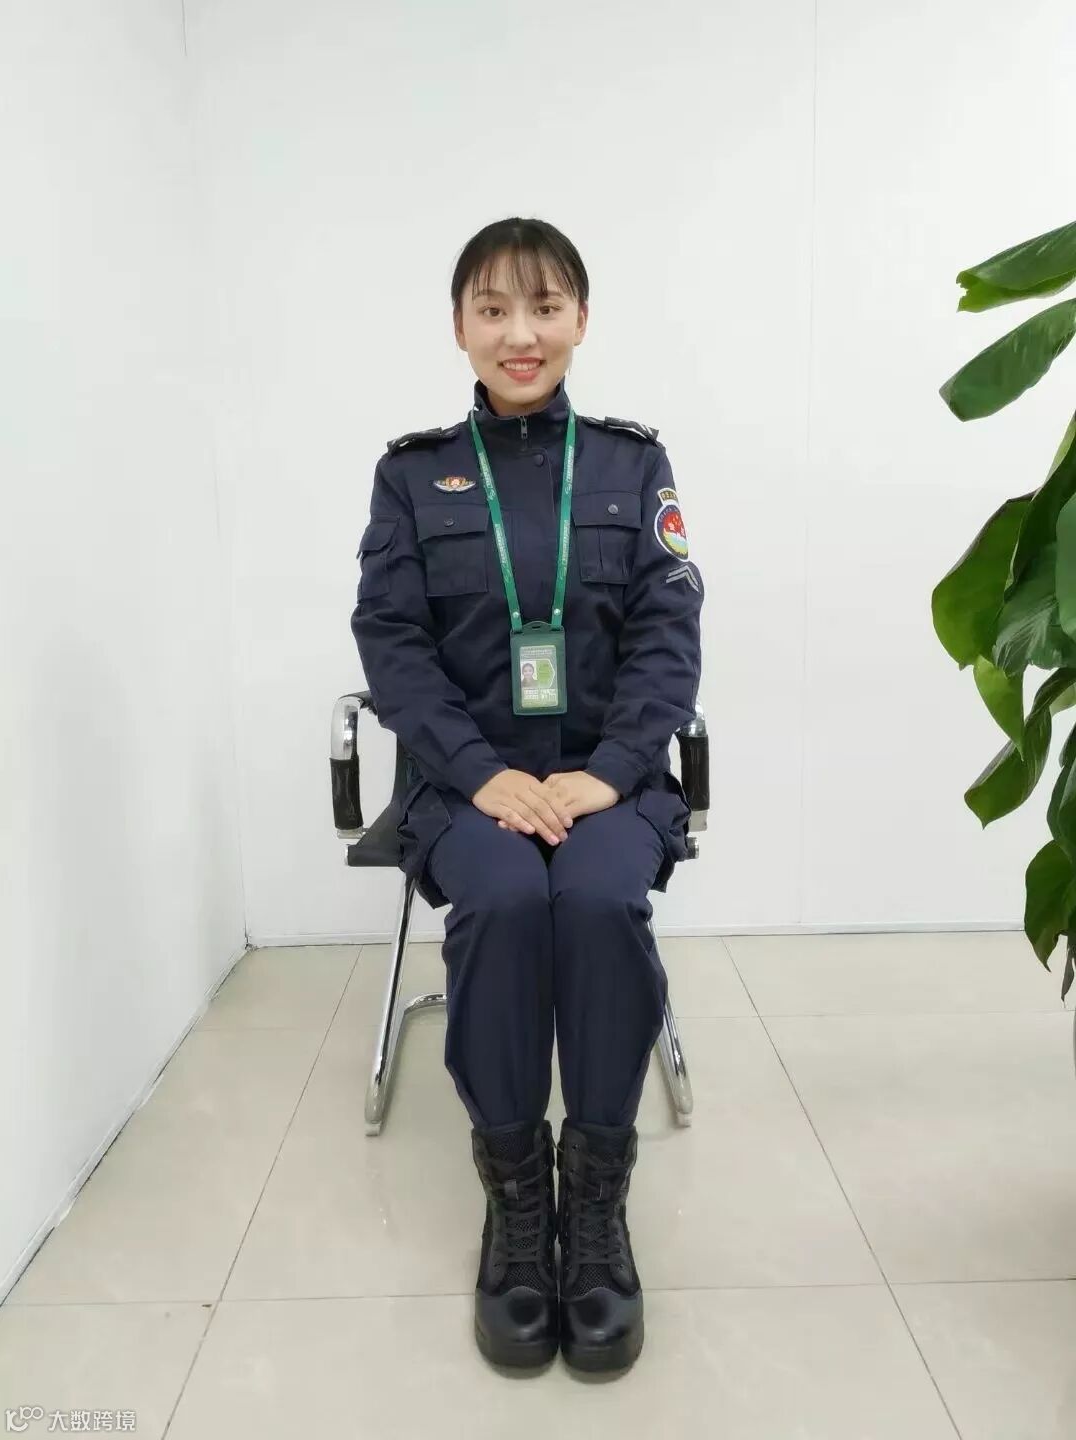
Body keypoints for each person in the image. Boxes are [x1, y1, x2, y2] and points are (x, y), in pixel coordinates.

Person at [350, 217, 704, 1373]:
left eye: (545, 307)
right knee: (504, 902)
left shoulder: (632, 465)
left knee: (596, 903)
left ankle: (594, 1204)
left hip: (608, 781)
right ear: (459, 326)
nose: (521, 333)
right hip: (470, 784)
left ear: (581, 320)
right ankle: (515, 1199)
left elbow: (668, 633)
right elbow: (393, 644)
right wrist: (481, 772)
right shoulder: (411, 475)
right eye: (494, 309)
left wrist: (609, 771)